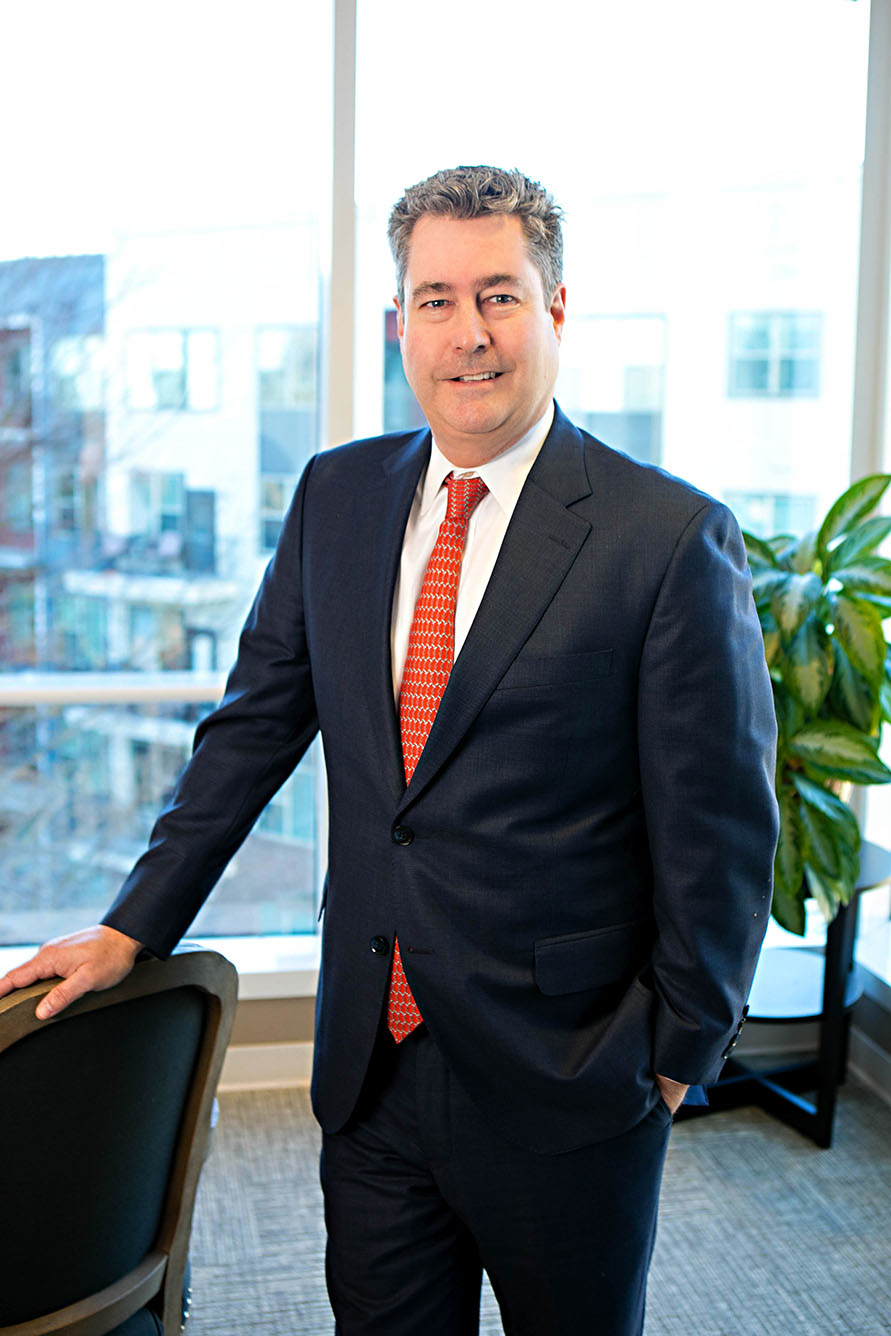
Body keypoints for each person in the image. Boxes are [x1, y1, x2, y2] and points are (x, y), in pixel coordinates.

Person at [0, 166, 778, 1335]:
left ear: (556, 311)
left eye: (500, 296)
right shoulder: (337, 497)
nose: (467, 334)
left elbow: (719, 830)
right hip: (371, 1065)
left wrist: (672, 1054)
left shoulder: (665, 536)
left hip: (569, 1076)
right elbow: (253, 729)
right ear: (398, 321)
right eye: (436, 298)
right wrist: (132, 924)